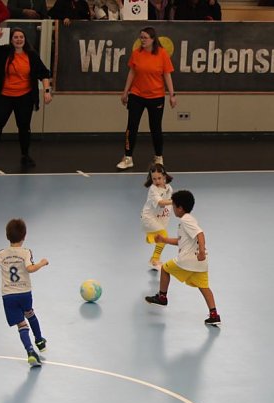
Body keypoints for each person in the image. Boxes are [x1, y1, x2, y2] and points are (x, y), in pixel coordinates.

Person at [145, 190, 221, 326]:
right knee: (204, 287)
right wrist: (164, 239)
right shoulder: (188, 220)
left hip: (188, 261)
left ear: (179, 208)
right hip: (200, 264)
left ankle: (162, 297)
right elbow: (181, 241)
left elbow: (200, 233)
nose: (173, 209)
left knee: (165, 269)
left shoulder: (186, 220)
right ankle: (214, 314)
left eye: (173, 206)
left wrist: (202, 251)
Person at [0, 218, 49, 367]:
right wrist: (42, 263)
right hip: (24, 292)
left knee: (21, 324)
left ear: (7, 236)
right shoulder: (25, 252)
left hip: (8, 295)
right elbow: (30, 268)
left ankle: (30, 351)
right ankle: (39, 340)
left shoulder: (2, 254)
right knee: (30, 313)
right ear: (24, 236)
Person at [0, 28, 53, 167]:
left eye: (21, 37)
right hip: (5, 96)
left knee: (24, 127)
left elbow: (44, 74)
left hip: (25, 97)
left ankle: (25, 155)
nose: (19, 40)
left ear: (25, 40)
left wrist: (47, 91)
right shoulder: (4, 52)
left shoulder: (32, 55)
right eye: (16, 37)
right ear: (11, 40)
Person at [117, 27, 177, 171]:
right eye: (141, 37)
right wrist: (125, 92)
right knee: (131, 127)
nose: (142, 40)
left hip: (156, 97)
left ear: (153, 39)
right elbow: (132, 72)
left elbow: (167, 75)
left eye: (145, 37)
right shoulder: (136, 53)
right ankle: (128, 158)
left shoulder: (162, 54)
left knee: (155, 128)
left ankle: (158, 156)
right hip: (136, 95)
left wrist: (172, 95)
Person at [141, 164, 174, 270]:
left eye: (159, 178)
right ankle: (154, 259)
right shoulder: (153, 189)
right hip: (149, 218)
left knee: (161, 238)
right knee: (163, 236)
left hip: (160, 218)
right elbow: (161, 203)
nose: (157, 181)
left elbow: (168, 202)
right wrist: (175, 201)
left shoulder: (169, 188)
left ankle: (154, 258)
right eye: (154, 179)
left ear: (164, 176)